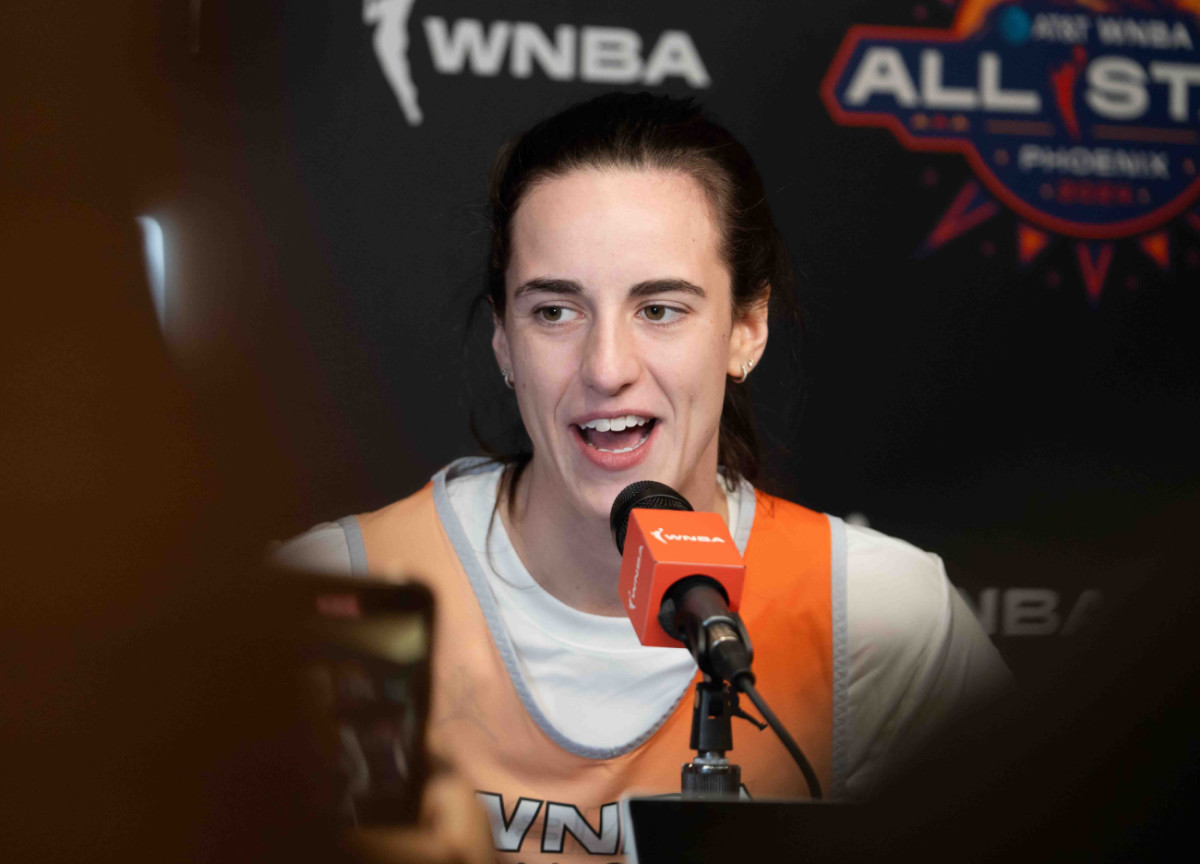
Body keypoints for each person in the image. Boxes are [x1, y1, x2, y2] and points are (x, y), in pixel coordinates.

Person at [274, 92, 1011, 861]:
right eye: (555, 312)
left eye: (660, 309)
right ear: (503, 342)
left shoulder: (878, 615)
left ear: (746, 330)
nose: (607, 369)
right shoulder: (339, 594)